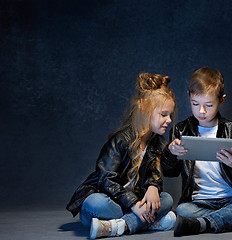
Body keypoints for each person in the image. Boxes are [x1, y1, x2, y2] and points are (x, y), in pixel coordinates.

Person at [161, 67, 232, 236]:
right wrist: (171, 152)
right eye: (195, 104)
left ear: (221, 100)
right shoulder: (180, 130)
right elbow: (169, 172)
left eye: (209, 105)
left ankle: (203, 224)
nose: (201, 111)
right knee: (183, 210)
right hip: (198, 203)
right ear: (189, 96)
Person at [66, 73, 177, 239]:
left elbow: (163, 172)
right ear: (145, 111)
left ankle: (118, 226)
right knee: (95, 203)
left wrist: (154, 186)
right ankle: (145, 222)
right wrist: (132, 204)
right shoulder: (121, 140)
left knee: (166, 199)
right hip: (112, 202)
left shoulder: (157, 143)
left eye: (170, 115)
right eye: (163, 114)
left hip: (134, 204)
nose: (168, 120)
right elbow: (105, 179)